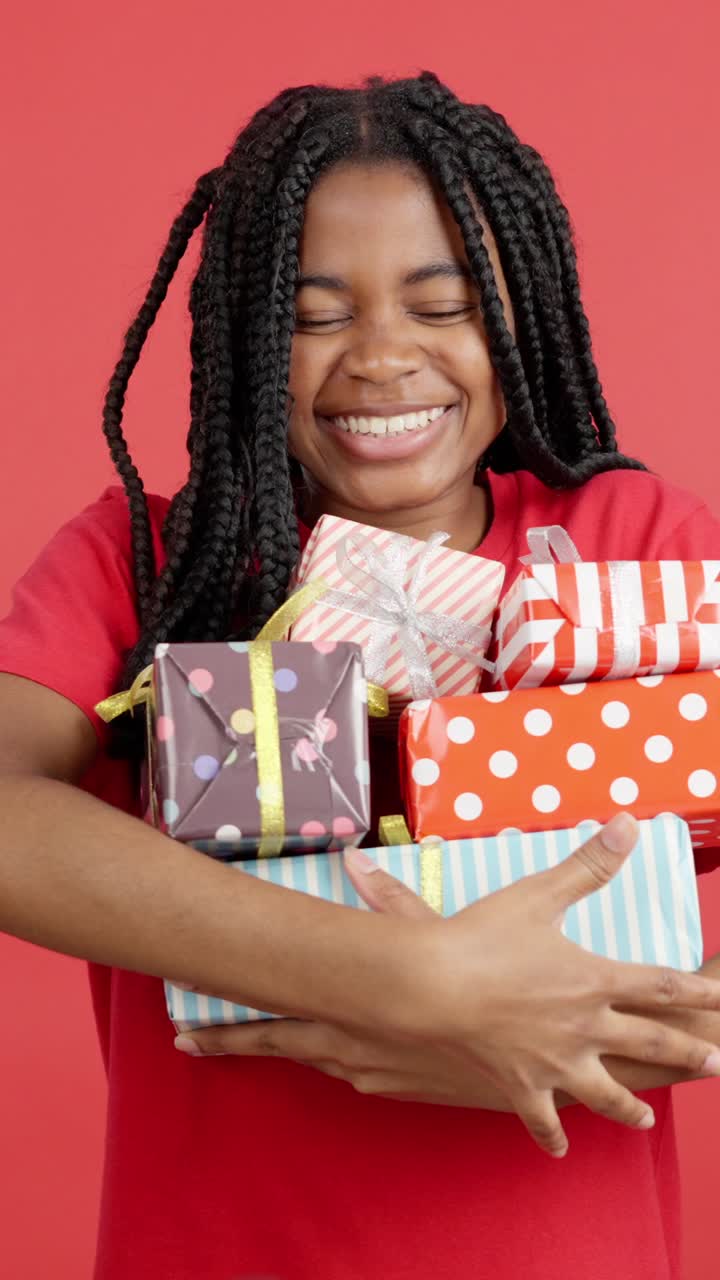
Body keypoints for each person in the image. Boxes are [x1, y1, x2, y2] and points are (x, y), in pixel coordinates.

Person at [1, 71, 720, 1280]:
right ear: (239, 336)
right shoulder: (148, 564)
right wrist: (399, 978)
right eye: (311, 316)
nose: (383, 357)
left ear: (523, 318)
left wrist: (643, 1032)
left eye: (445, 305)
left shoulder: (635, 541)